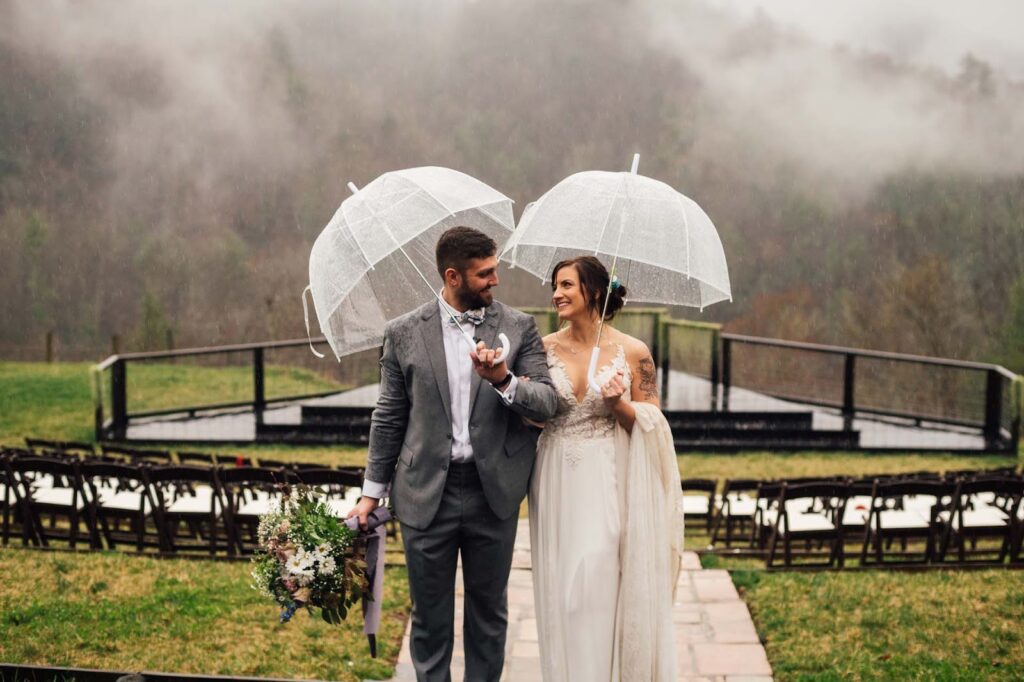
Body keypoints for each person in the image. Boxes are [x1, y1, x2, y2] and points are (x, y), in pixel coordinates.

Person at [347, 226, 559, 682]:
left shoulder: (519, 327)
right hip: (425, 494)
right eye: (485, 274)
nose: (495, 281)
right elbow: (388, 417)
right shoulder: (403, 333)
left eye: (494, 270)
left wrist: (504, 380)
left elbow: (548, 402)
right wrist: (370, 494)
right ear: (452, 276)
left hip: (493, 493)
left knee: (488, 616)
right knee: (429, 619)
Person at [529, 255, 685, 682]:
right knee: (562, 593)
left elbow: (653, 425)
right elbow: (534, 417)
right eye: (555, 287)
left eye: (566, 286)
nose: (556, 294)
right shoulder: (541, 349)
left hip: (608, 477)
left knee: (596, 581)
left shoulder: (635, 353)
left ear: (593, 292)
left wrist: (619, 404)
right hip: (554, 474)